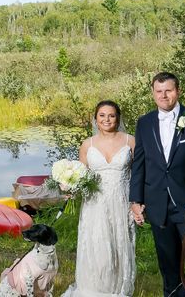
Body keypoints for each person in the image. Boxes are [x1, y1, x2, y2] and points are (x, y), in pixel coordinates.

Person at [129, 72, 185, 297]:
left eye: (168, 90)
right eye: (158, 91)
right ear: (153, 93)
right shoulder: (144, 123)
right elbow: (139, 164)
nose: (163, 95)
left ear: (177, 91)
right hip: (158, 204)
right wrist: (136, 200)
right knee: (169, 267)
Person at [62, 100, 136, 297]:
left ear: (118, 118)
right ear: (96, 119)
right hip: (94, 204)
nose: (106, 119)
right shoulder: (88, 144)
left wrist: (138, 202)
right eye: (102, 115)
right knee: (97, 246)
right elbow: (80, 175)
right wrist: (70, 186)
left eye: (111, 115)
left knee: (119, 245)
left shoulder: (130, 141)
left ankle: (117, 289)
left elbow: (139, 174)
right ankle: (93, 289)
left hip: (121, 202)